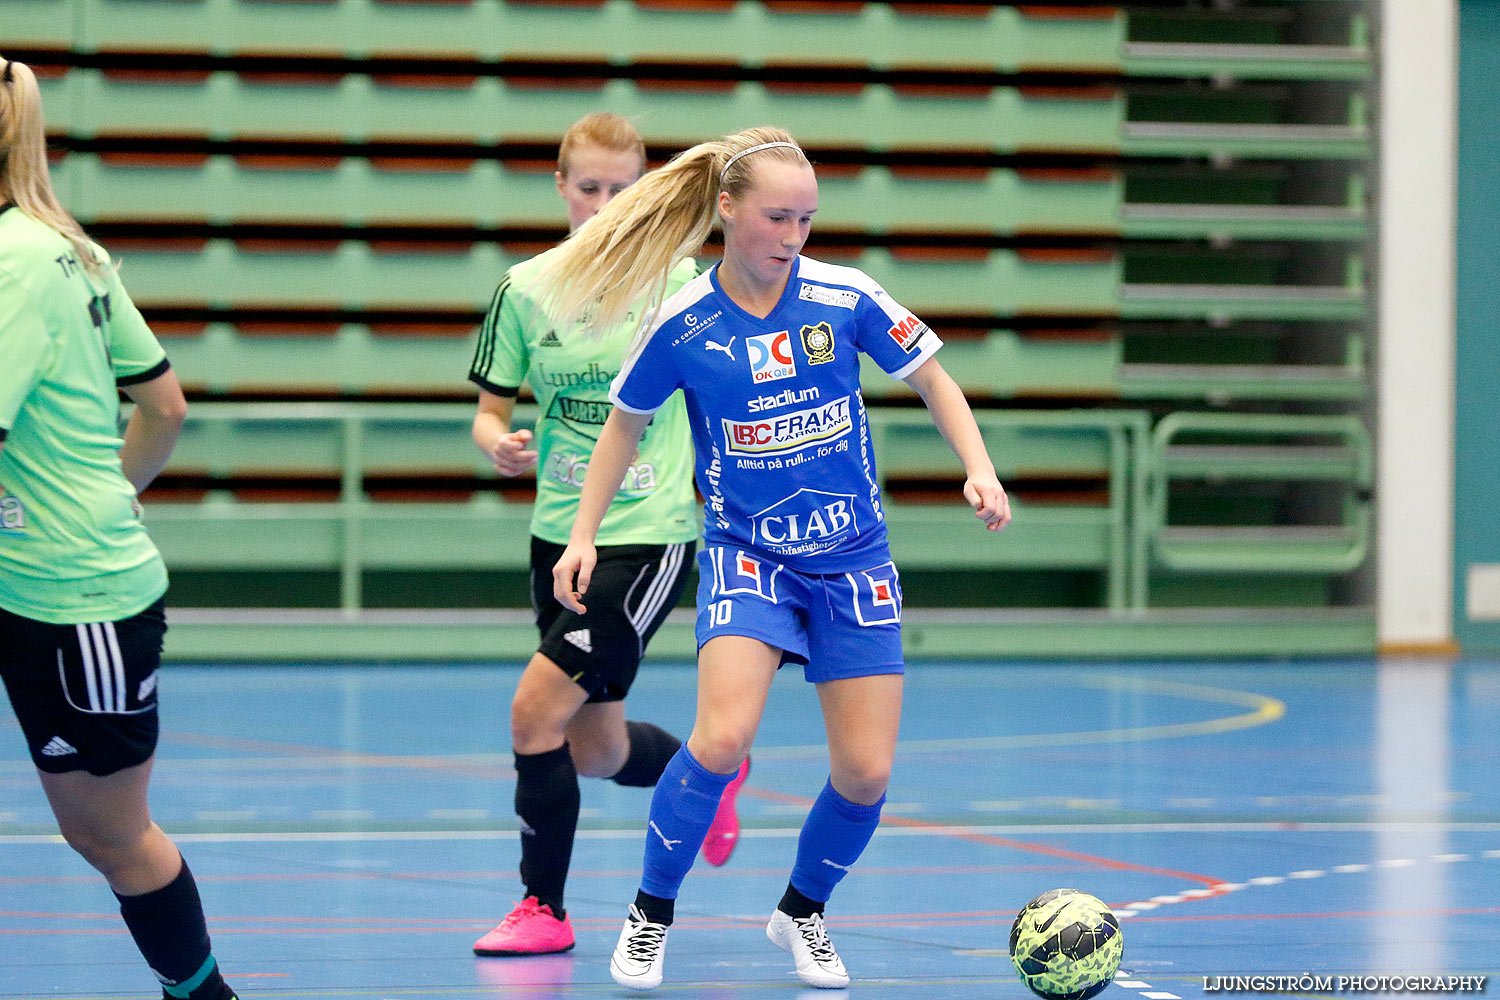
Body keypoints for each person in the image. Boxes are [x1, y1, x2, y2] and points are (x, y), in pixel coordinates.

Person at [539, 125, 1011, 991]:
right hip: (749, 556)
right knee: (721, 739)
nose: (793, 237)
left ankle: (802, 911)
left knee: (866, 773)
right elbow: (623, 426)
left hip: (853, 558)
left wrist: (977, 468)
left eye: (806, 219)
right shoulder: (683, 323)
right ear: (726, 211)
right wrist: (582, 534)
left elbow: (934, 378)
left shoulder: (845, 295)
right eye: (776, 218)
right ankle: (651, 911)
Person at [465, 112, 749, 958]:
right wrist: (500, 447)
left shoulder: (683, 285)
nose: (603, 203)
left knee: (533, 712)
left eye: (621, 189)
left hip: (645, 535)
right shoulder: (525, 289)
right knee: (595, 748)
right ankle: (713, 768)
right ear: (561, 187)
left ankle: (542, 911)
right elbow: (489, 413)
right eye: (587, 187)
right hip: (557, 536)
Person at [0, 56, 238, 1000]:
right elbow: (165, 405)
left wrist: (97, 499)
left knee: (108, 833)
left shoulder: (20, 263)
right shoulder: (71, 247)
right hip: (32, 574)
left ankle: (206, 997)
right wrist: (116, 482)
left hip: (74, 598)